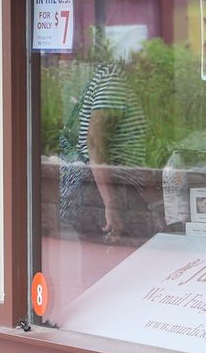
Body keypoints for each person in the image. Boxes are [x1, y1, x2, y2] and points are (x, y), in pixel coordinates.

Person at [61, 62, 146, 239]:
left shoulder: (105, 77)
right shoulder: (112, 80)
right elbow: (94, 141)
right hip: (108, 189)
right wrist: (111, 203)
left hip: (101, 188)